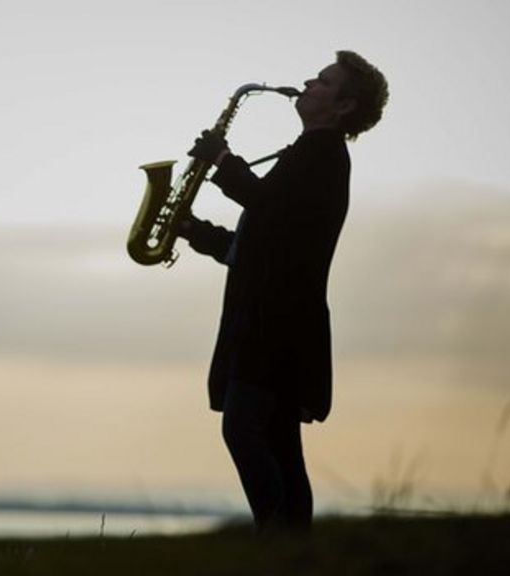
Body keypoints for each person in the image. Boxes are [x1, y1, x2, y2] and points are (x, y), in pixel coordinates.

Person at [178, 50, 388, 533]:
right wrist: (193, 230)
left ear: (342, 108)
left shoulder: (325, 157)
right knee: (277, 443)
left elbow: (268, 209)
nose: (309, 82)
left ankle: (278, 545)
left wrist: (223, 161)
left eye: (324, 81)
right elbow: (258, 242)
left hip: (276, 325)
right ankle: (294, 552)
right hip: (274, 320)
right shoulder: (309, 157)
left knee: (244, 430)